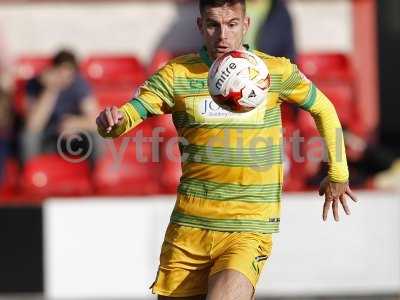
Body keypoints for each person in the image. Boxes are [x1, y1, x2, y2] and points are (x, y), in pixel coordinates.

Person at [96, 0, 357, 299]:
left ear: (246, 25)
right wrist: (112, 123)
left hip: (247, 229)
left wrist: (338, 171)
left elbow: (323, 107)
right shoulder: (177, 75)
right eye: (213, 24)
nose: (223, 34)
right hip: (189, 231)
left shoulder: (273, 71)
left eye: (232, 24)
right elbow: (130, 115)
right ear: (200, 26)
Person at [20, 50, 100, 164]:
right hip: (45, 138)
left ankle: (98, 177)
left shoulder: (79, 84)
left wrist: (75, 123)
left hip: (71, 139)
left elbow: (96, 121)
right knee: (27, 138)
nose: (63, 79)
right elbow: (33, 125)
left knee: (98, 137)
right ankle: (31, 176)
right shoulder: (35, 84)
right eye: (59, 73)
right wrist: (51, 89)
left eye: (68, 75)